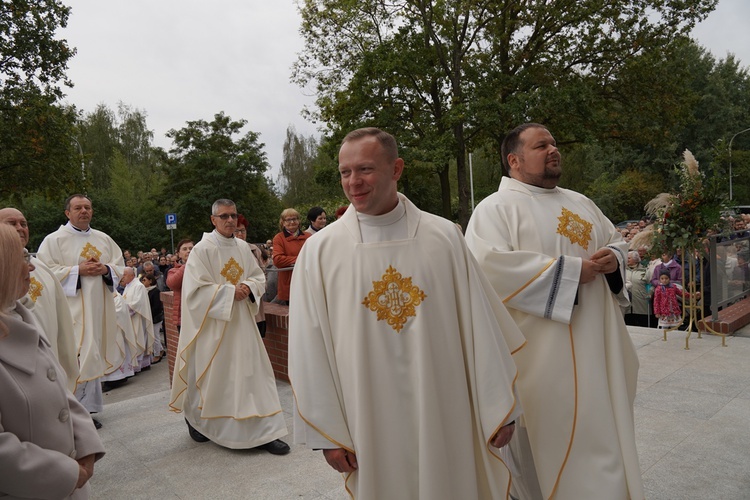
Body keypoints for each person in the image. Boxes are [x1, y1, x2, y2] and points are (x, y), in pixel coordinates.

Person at [289, 128, 524, 498]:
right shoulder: (320, 251)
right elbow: (308, 346)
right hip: (365, 413)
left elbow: (481, 326)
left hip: (446, 406)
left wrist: (500, 407)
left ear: (396, 168)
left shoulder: (444, 236)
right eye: (345, 172)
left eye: (364, 169)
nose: (353, 182)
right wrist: (327, 433)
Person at [465, 123, 644, 499]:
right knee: (540, 460)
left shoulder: (581, 202)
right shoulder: (493, 210)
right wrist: (569, 272)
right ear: (514, 160)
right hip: (540, 364)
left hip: (598, 351)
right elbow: (487, 269)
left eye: (554, 143)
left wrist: (614, 257)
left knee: (603, 441)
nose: (553, 150)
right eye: (541, 145)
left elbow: (617, 241)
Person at [169, 199, 289, 454]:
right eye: (224, 216)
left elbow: (258, 276)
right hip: (214, 327)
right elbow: (194, 291)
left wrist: (249, 287)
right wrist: (227, 292)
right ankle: (200, 421)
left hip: (243, 324)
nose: (230, 220)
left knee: (254, 376)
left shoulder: (244, 247)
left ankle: (266, 432)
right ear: (213, 220)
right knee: (218, 379)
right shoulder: (202, 250)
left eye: (233, 215)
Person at [0, 225, 106, 499]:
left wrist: (86, 447)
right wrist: (68, 474)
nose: (31, 268)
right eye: (22, 259)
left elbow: (59, 389)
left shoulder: (22, 318)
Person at [36, 194, 124, 429]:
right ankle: (72, 413)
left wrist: (106, 268)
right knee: (74, 358)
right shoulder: (53, 240)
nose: (83, 211)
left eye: (87, 207)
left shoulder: (103, 238)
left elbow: (120, 266)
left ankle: (88, 410)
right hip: (71, 313)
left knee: (92, 355)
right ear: (68, 213)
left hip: (98, 311)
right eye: (78, 208)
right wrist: (77, 271)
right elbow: (45, 273)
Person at [0, 207, 79, 392]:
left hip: (49, 357)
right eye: (11, 223)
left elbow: (61, 315)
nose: (20, 228)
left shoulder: (41, 267)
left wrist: (68, 352)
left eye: (23, 223)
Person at [236, 214, 267, 337]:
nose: (240, 234)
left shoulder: (254, 250)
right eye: (236, 231)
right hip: (238, 301)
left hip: (255, 301)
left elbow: (263, 274)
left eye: (243, 231)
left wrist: (253, 287)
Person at [119, 267, 155, 371]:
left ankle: (141, 364)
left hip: (137, 318)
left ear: (132, 275)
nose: (122, 277)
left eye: (124, 275)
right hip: (130, 319)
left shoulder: (138, 286)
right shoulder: (128, 286)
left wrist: (124, 310)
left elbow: (137, 303)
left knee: (138, 339)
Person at [272, 208, 310, 305]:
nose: (292, 222)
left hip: (308, 282)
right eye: (288, 220)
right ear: (283, 222)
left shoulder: (308, 237)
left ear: (299, 221)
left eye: (295, 219)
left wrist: (290, 260)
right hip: (289, 284)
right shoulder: (279, 238)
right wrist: (301, 259)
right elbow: (278, 260)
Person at [165, 239, 193, 333]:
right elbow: (172, 283)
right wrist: (187, 264)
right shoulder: (174, 270)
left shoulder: (202, 267)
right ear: (179, 254)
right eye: (184, 249)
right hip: (183, 318)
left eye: (191, 248)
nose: (188, 251)